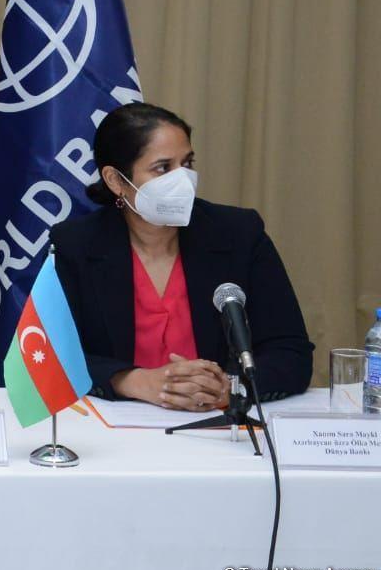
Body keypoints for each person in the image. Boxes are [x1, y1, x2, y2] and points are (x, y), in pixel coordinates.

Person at [50, 102, 313, 410]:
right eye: (163, 168)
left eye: (187, 164)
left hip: (216, 423)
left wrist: (231, 388)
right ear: (116, 181)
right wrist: (133, 381)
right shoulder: (75, 245)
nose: (183, 180)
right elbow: (52, 355)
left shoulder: (239, 234)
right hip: (120, 425)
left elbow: (291, 352)